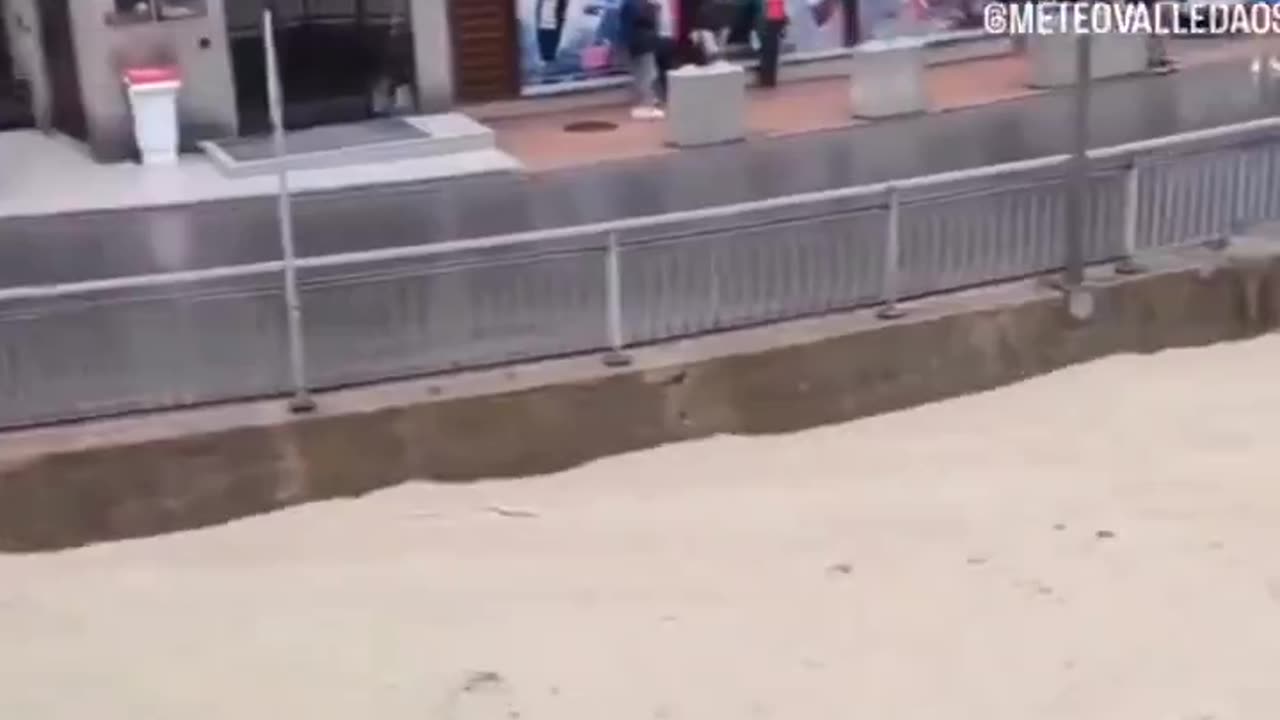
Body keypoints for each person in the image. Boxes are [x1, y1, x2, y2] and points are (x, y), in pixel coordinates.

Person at [620, 0, 665, 119]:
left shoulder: (630, 5)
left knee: (642, 75)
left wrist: (625, 45)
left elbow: (625, 27)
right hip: (646, 43)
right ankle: (647, 105)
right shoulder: (648, 6)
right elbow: (654, 26)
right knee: (648, 75)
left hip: (637, 44)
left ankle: (646, 104)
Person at [756, 0, 787, 87]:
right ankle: (770, 79)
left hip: (770, 19)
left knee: (768, 50)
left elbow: (765, 5)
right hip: (777, 18)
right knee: (773, 49)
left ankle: (766, 79)